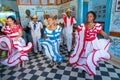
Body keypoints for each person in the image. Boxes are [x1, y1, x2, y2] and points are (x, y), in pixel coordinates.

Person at [69, 11, 112, 76]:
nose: (89, 18)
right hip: (85, 44)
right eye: (88, 16)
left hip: (94, 44)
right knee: (84, 56)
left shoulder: (96, 26)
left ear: (93, 17)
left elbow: (102, 33)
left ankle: (90, 67)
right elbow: (76, 33)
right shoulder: (82, 26)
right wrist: (74, 37)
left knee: (91, 56)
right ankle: (85, 68)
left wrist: (109, 37)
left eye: (90, 16)